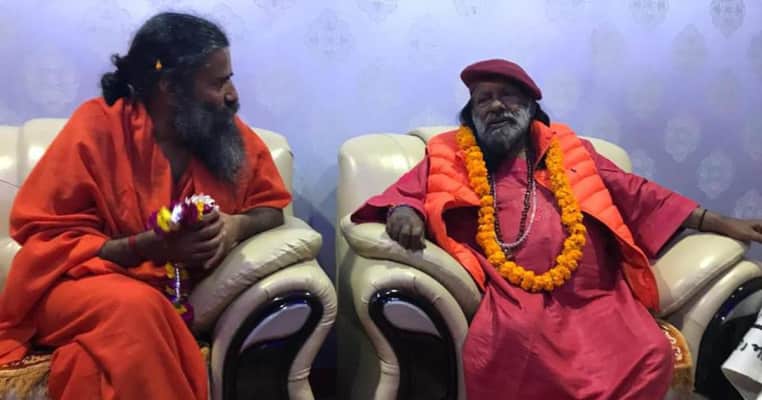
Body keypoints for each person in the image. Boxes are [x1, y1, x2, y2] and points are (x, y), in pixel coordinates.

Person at [352, 58, 762, 399]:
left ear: (530, 106)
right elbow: (408, 192)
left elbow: (637, 192)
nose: (495, 106)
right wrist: (405, 211)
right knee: (508, 344)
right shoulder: (451, 154)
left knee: (651, 351)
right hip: (515, 295)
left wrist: (719, 221)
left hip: (597, 294)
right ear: (471, 114)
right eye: (483, 100)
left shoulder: (571, 151)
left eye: (506, 95)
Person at [0, 12, 291, 400]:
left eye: (230, 79)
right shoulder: (97, 127)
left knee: (91, 366)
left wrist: (236, 226)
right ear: (169, 86)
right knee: (137, 308)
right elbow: (47, 238)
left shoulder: (226, 134)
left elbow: (271, 209)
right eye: (218, 82)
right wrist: (149, 247)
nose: (232, 95)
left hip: (159, 300)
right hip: (70, 288)